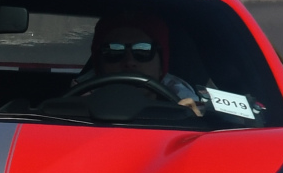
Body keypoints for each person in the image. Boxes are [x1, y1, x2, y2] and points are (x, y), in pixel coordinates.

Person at [75, 13, 204, 116]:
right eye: (114, 51)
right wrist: (77, 109)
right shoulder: (72, 108)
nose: (129, 62)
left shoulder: (190, 108)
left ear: (161, 66)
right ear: (99, 65)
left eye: (143, 50)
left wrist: (192, 121)